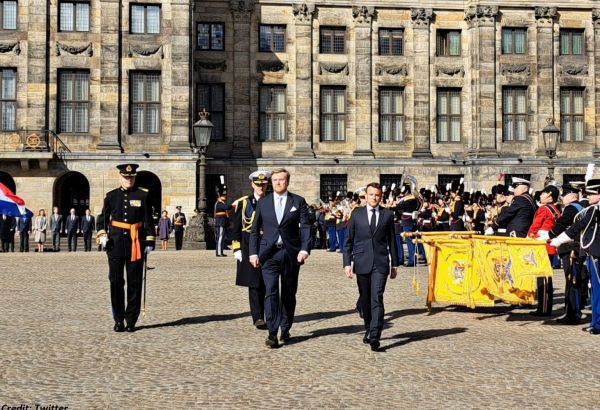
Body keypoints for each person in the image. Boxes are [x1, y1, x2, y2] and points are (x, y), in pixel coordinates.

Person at [249, 168, 311, 348]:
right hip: (268, 254)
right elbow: (254, 229)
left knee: (289, 292)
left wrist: (305, 249)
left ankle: (285, 327)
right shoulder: (263, 202)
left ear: (287, 182)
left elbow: (306, 227)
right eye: (275, 180)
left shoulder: (297, 201)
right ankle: (272, 332)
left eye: (281, 180)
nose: (277, 183)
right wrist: (253, 252)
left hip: (291, 253)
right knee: (271, 292)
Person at [96, 164, 155, 333]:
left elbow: (148, 220)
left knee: (134, 283)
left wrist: (149, 241)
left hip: (136, 243)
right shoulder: (111, 196)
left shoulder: (143, 195)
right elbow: (102, 220)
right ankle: (118, 319)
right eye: (126, 177)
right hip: (115, 244)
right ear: (120, 177)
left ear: (135, 178)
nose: (129, 180)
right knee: (116, 282)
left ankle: (131, 319)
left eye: (131, 177)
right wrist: (102, 234)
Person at [343, 182, 400, 351]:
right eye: (371, 194)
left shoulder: (387, 215)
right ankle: (368, 326)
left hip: (381, 263)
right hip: (361, 262)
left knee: (377, 298)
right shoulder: (357, 214)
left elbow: (392, 240)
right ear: (365, 196)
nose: (374, 198)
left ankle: (375, 335)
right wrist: (347, 263)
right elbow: (348, 240)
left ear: (381, 196)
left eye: (377, 195)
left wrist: (395, 263)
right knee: (365, 300)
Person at [550, 179, 600, 335]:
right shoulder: (592, 209)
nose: (588, 198)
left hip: (596, 253)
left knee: (597, 290)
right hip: (592, 251)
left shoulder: (594, 210)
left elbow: (577, 227)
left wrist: (557, 240)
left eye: (592, 194)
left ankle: (597, 323)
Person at [538, 183, 585, 324]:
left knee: (571, 281)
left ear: (572, 196)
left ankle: (572, 314)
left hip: (570, 249)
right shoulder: (580, 207)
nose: (562, 198)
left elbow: (561, 224)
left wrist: (548, 235)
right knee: (574, 281)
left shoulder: (571, 208)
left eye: (564, 195)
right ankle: (573, 311)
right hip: (576, 247)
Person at [231, 170, 270, 329]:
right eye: (258, 184)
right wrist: (236, 248)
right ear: (252, 184)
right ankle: (257, 317)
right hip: (248, 246)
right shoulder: (244, 203)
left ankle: (270, 314)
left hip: (267, 245)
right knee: (254, 283)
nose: (261, 187)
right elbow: (236, 227)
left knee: (268, 283)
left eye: (263, 184)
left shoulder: (272, 201)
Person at [528, 184, 561, 316]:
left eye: (543, 193)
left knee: (543, 278)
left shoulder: (544, 210)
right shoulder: (555, 209)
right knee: (546, 277)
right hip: (550, 246)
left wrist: (528, 239)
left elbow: (534, 227)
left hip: (542, 246)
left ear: (549, 196)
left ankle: (543, 308)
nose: (540, 195)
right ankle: (545, 307)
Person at [214, 189, 232, 257]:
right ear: (219, 197)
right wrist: (232, 205)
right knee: (220, 238)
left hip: (223, 222)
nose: (225, 197)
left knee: (222, 238)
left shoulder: (222, 203)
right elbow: (227, 207)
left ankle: (221, 251)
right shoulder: (218, 204)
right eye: (223, 196)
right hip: (220, 222)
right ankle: (219, 252)